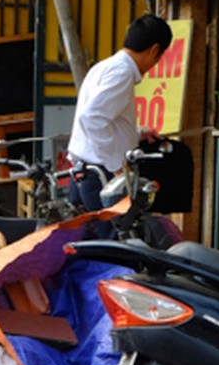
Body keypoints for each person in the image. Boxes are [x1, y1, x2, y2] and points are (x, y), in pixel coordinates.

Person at [67, 13, 172, 214]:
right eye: (159, 57)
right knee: (115, 243)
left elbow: (104, 121)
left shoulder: (104, 67)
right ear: (154, 50)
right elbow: (91, 119)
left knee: (92, 242)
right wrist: (116, 167)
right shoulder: (121, 72)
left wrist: (137, 133)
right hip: (101, 178)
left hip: (86, 174)